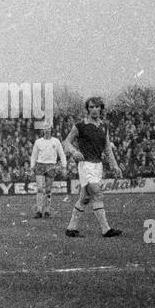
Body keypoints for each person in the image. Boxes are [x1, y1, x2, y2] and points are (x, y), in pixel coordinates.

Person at [63, 96, 123, 238]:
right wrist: (74, 151)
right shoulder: (80, 125)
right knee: (97, 193)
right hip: (85, 165)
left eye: (97, 107)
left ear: (101, 108)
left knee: (85, 198)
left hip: (98, 166)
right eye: (91, 107)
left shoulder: (104, 126)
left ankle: (71, 228)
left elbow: (107, 148)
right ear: (87, 109)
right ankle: (106, 230)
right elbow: (66, 142)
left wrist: (115, 166)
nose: (94, 110)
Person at [29, 124, 67, 219]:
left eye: (48, 128)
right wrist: (32, 167)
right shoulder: (38, 142)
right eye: (45, 128)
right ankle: (39, 210)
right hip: (40, 165)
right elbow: (34, 155)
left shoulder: (56, 141)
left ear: (51, 129)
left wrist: (64, 167)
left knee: (48, 189)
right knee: (40, 188)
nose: (47, 130)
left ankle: (47, 210)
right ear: (42, 130)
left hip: (51, 166)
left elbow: (62, 154)